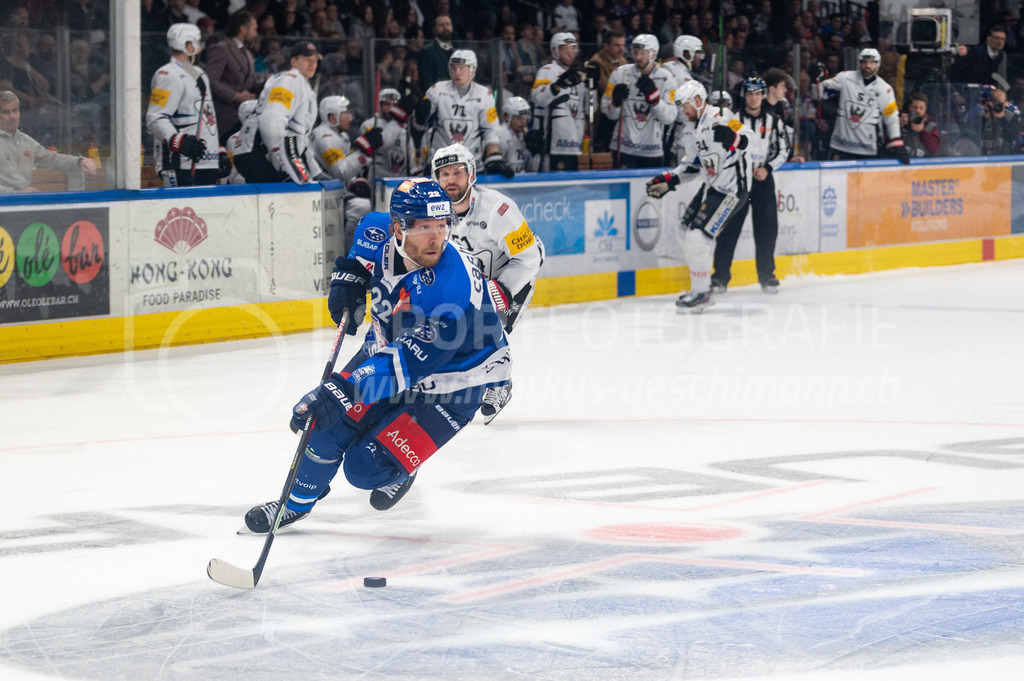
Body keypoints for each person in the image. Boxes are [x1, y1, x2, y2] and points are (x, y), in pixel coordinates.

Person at [243, 178, 512, 531]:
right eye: (423, 226)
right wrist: (350, 276)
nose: (436, 238)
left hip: (454, 384)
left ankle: (403, 466)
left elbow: (409, 361)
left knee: (363, 468)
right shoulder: (377, 228)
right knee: (324, 427)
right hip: (388, 348)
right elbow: (362, 253)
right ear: (398, 227)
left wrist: (343, 391)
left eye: (442, 226)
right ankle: (294, 504)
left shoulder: (451, 288)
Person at [430, 143, 544, 423]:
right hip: (471, 281)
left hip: (512, 276)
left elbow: (531, 258)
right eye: (443, 174)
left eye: (457, 172)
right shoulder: (433, 213)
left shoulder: (498, 210)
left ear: (472, 175)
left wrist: (502, 289)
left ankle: (499, 384)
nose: (450, 180)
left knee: (490, 328)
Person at [644, 80, 754, 313]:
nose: (683, 111)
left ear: (697, 100)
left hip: (733, 189)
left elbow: (750, 139)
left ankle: (702, 292)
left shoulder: (723, 116)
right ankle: (701, 286)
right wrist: (669, 179)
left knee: (697, 238)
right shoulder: (690, 130)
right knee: (685, 230)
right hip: (712, 187)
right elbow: (691, 166)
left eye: (685, 105)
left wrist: (732, 138)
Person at [711, 76, 792, 295]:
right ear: (744, 95)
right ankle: (719, 277)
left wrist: (768, 168)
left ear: (764, 95)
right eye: (749, 93)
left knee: (767, 230)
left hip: (762, 181)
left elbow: (784, 150)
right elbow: (721, 147)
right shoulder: (732, 118)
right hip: (737, 181)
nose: (753, 98)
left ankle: (767, 275)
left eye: (758, 93)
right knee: (729, 229)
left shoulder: (774, 120)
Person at [146, 23, 225, 187]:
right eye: (197, 42)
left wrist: (217, 151)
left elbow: (206, 116)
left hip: (205, 161)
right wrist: (177, 140)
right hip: (180, 162)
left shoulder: (199, 73)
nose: (200, 47)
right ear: (187, 45)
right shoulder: (167, 74)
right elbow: (155, 118)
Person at [233, 42, 323, 184]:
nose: (312, 64)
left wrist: (315, 172)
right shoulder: (289, 80)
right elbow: (271, 122)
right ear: (293, 61)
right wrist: (282, 163)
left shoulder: (305, 88)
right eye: (307, 59)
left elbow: (301, 138)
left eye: (315, 60)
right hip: (259, 151)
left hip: (268, 152)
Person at [414, 49, 513, 177]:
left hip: (472, 166)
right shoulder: (436, 90)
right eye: (453, 68)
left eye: (462, 68)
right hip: (440, 165)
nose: (457, 73)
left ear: (472, 70)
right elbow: (420, 127)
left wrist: (494, 155)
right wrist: (419, 118)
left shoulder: (484, 95)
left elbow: (491, 130)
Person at [599, 34, 679, 168]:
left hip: (652, 150)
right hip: (623, 147)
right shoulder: (620, 73)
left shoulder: (667, 78)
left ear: (653, 53)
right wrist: (615, 103)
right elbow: (608, 112)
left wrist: (655, 101)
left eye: (643, 53)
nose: (638, 57)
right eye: (635, 52)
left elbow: (670, 117)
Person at [820, 47, 909, 163]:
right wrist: (818, 81)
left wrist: (896, 142)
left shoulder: (885, 89)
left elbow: (891, 118)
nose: (868, 66)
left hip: (869, 150)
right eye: (864, 62)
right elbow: (821, 88)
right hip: (840, 147)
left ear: (878, 64)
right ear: (859, 63)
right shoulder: (845, 77)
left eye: (872, 62)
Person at [0, 90, 97, 193]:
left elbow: (52, 159)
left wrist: (79, 161)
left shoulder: (26, 142)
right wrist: (14, 194)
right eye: (6, 112)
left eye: (15, 111)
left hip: (24, 203)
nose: (12, 116)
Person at [310, 95, 378, 231]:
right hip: (319, 194)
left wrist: (355, 181)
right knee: (362, 207)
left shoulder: (340, 135)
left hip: (333, 191)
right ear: (332, 117)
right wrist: (363, 154)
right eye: (345, 114)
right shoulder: (325, 137)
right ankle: (349, 250)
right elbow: (340, 172)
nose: (351, 118)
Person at [530, 32, 587, 171]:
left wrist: (594, 86)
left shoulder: (577, 76)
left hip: (573, 145)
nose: (569, 53)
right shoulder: (547, 70)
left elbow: (587, 108)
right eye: (565, 49)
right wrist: (556, 85)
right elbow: (537, 98)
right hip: (552, 145)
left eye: (572, 49)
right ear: (555, 51)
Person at [205, 9, 259, 145]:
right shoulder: (221, 49)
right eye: (253, 29)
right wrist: (235, 96)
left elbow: (250, 83)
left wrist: (268, 82)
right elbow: (211, 81)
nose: (255, 34)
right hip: (225, 119)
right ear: (242, 29)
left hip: (243, 119)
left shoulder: (247, 53)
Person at [358, 88, 419, 177]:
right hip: (377, 177)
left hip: (400, 177)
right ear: (379, 106)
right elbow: (365, 156)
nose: (391, 108)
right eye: (387, 104)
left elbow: (411, 157)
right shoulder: (369, 125)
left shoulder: (404, 127)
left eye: (395, 104)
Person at [587, 29, 627, 111]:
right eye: (617, 45)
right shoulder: (596, 62)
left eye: (623, 45)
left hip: (620, 109)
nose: (621, 49)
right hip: (602, 111)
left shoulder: (622, 60)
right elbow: (606, 88)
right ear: (606, 46)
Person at [495, 96, 536, 174]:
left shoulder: (524, 136)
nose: (524, 122)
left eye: (525, 118)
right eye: (519, 118)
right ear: (507, 117)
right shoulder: (500, 135)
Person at [417, 14, 455, 92]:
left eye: (448, 24)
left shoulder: (457, 52)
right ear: (434, 29)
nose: (445, 28)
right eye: (441, 25)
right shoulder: (427, 51)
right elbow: (426, 83)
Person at [900, 92, 941, 158]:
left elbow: (934, 149)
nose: (917, 111)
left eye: (921, 108)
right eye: (915, 107)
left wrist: (922, 132)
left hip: (923, 163)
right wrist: (898, 127)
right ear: (909, 107)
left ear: (925, 109)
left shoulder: (930, 125)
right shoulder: (899, 121)